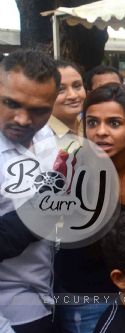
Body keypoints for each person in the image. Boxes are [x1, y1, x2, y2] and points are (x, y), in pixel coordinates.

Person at [54, 83, 125, 333]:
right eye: (92, 123)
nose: (101, 132)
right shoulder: (71, 167)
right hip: (87, 296)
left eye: (113, 123)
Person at [0, 49, 60, 333]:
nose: (23, 120)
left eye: (38, 111)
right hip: (12, 309)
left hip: (49, 292)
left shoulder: (48, 136)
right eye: (11, 104)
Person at [48, 60, 86, 137]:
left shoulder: (89, 126)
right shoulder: (38, 138)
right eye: (61, 89)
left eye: (77, 86)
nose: (73, 95)